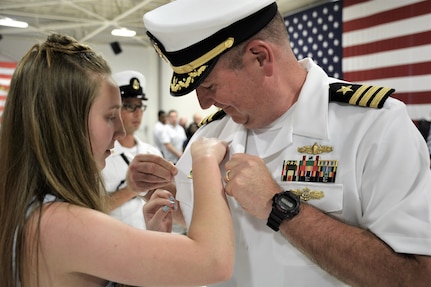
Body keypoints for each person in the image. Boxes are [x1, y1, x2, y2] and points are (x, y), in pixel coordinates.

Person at [143, 0, 431, 286]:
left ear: (260, 57)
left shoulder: (372, 127)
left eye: (209, 86)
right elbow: (190, 220)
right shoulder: (210, 135)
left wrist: (278, 206)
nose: (203, 102)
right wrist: (171, 203)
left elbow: (417, 275)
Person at [0, 33, 234, 287]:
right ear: (66, 122)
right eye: (111, 116)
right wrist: (205, 160)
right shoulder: (59, 224)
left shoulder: (41, 212)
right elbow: (213, 262)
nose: (121, 131)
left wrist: (152, 246)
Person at [101, 70, 163, 229]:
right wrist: (132, 189)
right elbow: (93, 206)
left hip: (149, 241)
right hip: (112, 244)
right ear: (113, 109)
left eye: (140, 106)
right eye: (129, 106)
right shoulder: (100, 156)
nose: (137, 113)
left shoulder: (152, 153)